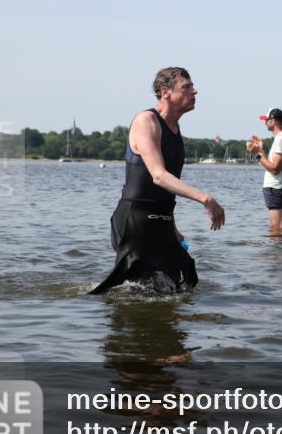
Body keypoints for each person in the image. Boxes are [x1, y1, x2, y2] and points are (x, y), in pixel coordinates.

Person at [91, 68, 225, 294]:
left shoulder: (174, 128)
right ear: (166, 92)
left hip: (161, 219)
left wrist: (172, 227)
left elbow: (166, 187)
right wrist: (206, 199)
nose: (195, 91)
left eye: (192, 87)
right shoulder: (147, 121)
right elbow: (158, 175)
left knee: (182, 282)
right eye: (187, 87)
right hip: (135, 220)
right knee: (135, 291)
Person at [247, 108, 282, 236]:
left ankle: (275, 256)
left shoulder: (281, 139)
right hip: (277, 188)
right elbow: (272, 164)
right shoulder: (281, 138)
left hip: (275, 188)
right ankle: (281, 254)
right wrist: (260, 151)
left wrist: (257, 154)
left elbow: (274, 168)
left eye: (266, 120)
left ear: (273, 121)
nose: (265, 123)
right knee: (280, 228)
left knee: (276, 228)